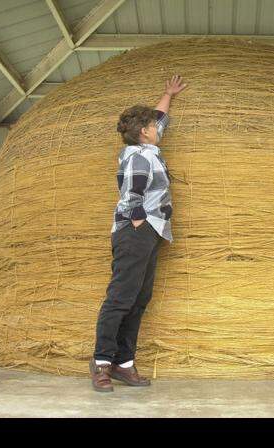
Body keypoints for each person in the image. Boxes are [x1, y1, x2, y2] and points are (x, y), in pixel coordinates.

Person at [90, 75, 188, 392]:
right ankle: (102, 362)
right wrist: (137, 222)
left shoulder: (147, 147)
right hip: (137, 230)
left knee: (138, 299)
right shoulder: (140, 155)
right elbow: (131, 191)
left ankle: (124, 363)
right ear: (144, 133)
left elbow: (159, 119)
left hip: (149, 231)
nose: (160, 128)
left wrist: (167, 95)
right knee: (120, 299)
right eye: (154, 127)